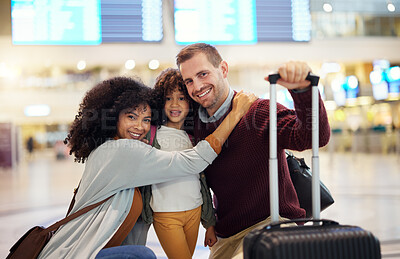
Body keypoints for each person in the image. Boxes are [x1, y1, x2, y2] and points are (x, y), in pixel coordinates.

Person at [37, 76, 257, 259]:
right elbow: (192, 161)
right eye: (131, 117)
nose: (140, 127)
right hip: (78, 253)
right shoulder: (122, 151)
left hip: (94, 249)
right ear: (113, 117)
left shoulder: (109, 148)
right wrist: (236, 114)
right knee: (143, 256)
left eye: (146, 119)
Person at [176, 43, 331, 259]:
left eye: (203, 74)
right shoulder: (194, 125)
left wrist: (303, 90)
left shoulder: (258, 112)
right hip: (227, 236)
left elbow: (312, 137)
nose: (197, 86)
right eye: (189, 81)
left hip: (273, 224)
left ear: (223, 69)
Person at [140, 68, 219, 259]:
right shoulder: (151, 135)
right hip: (166, 214)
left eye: (182, 98)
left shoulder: (194, 138)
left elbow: (202, 182)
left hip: (194, 210)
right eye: (168, 98)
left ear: (191, 102)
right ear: (160, 102)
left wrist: (209, 224)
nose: (174, 104)